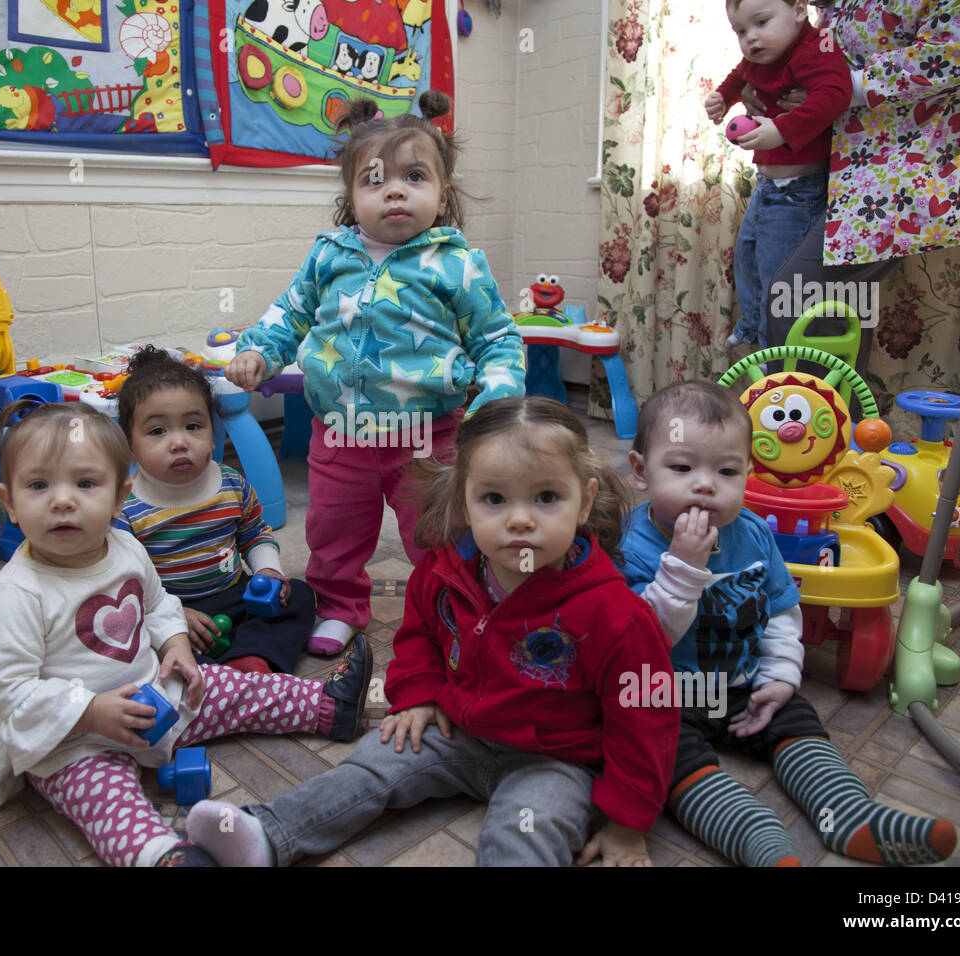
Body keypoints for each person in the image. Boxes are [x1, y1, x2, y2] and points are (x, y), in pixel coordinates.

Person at [183, 398, 680, 867]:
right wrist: (418, 695)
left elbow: (647, 721)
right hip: (456, 730)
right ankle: (267, 834)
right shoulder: (446, 573)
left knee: (524, 832)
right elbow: (419, 636)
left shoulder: (615, 613)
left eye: (547, 497)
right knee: (370, 767)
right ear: (464, 502)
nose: (520, 519)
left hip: (556, 762)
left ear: (585, 500)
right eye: (494, 498)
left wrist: (626, 822)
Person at [0, 400, 372, 867]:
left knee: (232, 689)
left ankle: (326, 707)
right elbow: (11, 692)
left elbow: (159, 603)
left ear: (120, 497)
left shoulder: (124, 546)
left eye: (85, 484)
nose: (63, 501)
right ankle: (162, 856)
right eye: (39, 486)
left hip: (156, 695)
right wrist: (90, 712)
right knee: (106, 802)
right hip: (71, 741)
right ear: (10, 503)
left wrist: (177, 645)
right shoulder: (16, 593)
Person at [588, 381, 956, 866]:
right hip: (665, 694)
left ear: (748, 473)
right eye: (681, 468)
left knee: (798, 721)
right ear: (640, 471)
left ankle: (849, 816)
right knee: (661, 755)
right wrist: (681, 565)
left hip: (742, 684)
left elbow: (781, 608)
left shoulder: (755, 533)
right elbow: (639, 642)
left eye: (726, 471)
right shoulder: (629, 547)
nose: (705, 484)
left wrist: (781, 675)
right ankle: (757, 840)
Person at [224, 91, 527, 656]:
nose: (394, 190)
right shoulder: (328, 255)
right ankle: (338, 606)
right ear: (350, 196)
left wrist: (497, 397)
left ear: (442, 195)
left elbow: (497, 339)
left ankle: (450, 608)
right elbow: (288, 313)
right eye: (373, 180)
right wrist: (259, 351)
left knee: (438, 535)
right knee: (333, 534)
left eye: (414, 176)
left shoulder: (456, 264)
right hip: (340, 436)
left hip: (428, 436)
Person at [760, 0, 960, 368]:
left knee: (797, 297)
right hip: (848, 168)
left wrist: (837, 88)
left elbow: (958, 54)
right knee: (838, 307)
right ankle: (843, 422)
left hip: (905, 169)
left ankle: (804, 422)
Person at [114, 346, 313, 676]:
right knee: (130, 634)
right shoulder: (127, 506)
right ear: (130, 443)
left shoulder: (231, 484)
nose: (179, 442)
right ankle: (206, 673)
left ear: (212, 431)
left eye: (193, 426)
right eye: (158, 431)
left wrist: (267, 572)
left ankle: (250, 659)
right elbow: (124, 578)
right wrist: (171, 617)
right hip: (172, 612)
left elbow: (255, 533)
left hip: (235, 595)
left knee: (301, 596)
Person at [706, 0, 851, 348]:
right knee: (747, 258)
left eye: (761, 23)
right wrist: (721, 98)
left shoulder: (815, 48)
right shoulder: (760, 60)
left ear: (799, 11)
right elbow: (739, 75)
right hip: (769, 187)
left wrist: (782, 130)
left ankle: (775, 350)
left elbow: (836, 94)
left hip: (801, 193)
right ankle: (754, 325)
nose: (750, 38)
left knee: (779, 283)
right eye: (741, 31)